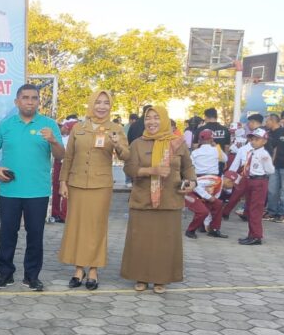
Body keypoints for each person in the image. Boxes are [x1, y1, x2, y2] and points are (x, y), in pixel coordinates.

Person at [0, 84, 64, 291]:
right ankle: (5, 274)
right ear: (17, 101)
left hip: (38, 191)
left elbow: (60, 156)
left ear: (39, 101)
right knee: (7, 233)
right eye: (25, 98)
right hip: (10, 190)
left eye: (34, 98)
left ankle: (32, 276)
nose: (30, 101)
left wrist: (53, 141)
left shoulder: (49, 125)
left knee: (35, 234)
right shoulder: (6, 125)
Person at [58, 91, 129, 290]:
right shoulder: (78, 128)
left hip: (101, 185)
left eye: (106, 103)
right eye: (98, 102)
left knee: (97, 227)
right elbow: (69, 157)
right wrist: (63, 181)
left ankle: (93, 270)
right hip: (77, 183)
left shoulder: (115, 129)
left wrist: (117, 145)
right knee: (77, 226)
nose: (102, 106)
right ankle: (78, 269)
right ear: (91, 104)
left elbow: (127, 155)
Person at [121, 106, 196, 294]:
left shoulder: (178, 143)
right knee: (141, 240)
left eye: (156, 118)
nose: (152, 121)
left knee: (166, 241)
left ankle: (161, 278)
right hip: (142, 200)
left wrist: (192, 182)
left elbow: (188, 167)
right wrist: (151, 171)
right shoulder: (137, 143)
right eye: (148, 118)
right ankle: (141, 276)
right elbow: (129, 170)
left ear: (164, 120)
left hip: (170, 200)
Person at [184, 129, 228, 239]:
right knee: (215, 204)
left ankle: (203, 226)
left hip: (198, 180)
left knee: (206, 205)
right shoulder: (215, 150)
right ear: (211, 139)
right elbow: (225, 159)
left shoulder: (195, 152)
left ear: (199, 140)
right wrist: (216, 146)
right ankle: (213, 229)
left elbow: (190, 167)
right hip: (212, 182)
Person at [238, 129, 275, 245]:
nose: (253, 141)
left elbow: (270, 170)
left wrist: (260, 175)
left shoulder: (264, 154)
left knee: (255, 210)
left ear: (264, 141)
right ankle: (251, 234)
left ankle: (256, 236)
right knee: (249, 209)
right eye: (252, 139)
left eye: (257, 139)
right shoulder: (253, 152)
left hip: (259, 181)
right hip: (251, 180)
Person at [51, 118, 77, 222]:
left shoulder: (66, 137)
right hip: (66, 163)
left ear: (67, 128)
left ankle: (59, 213)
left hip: (62, 163)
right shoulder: (72, 135)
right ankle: (62, 214)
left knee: (61, 189)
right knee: (65, 190)